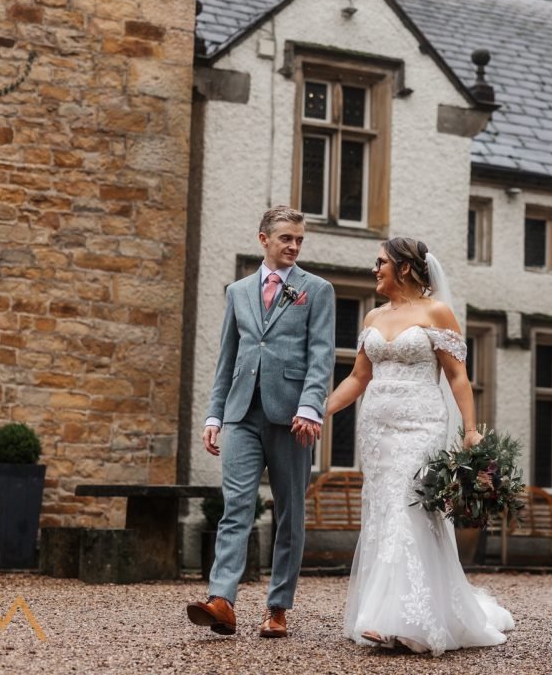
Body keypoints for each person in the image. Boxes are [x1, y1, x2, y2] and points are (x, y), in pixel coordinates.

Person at [325, 236, 514, 656]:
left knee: (408, 507)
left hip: (422, 425)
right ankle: (391, 612)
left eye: (380, 263)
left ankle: (398, 621)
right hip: (377, 429)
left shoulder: (437, 312)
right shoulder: (373, 315)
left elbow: (457, 377)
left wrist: (470, 430)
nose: (374, 270)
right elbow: (359, 378)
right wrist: (322, 411)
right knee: (383, 509)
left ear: (404, 268)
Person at [186, 206, 335, 638]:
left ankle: (278, 607)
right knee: (236, 506)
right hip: (241, 415)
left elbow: (322, 356)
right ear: (263, 239)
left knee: (289, 513)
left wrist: (310, 407)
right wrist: (215, 414)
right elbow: (226, 359)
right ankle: (222, 601)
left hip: (293, 419)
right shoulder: (238, 291)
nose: (293, 246)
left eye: (299, 240)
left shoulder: (317, 290)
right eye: (286, 238)